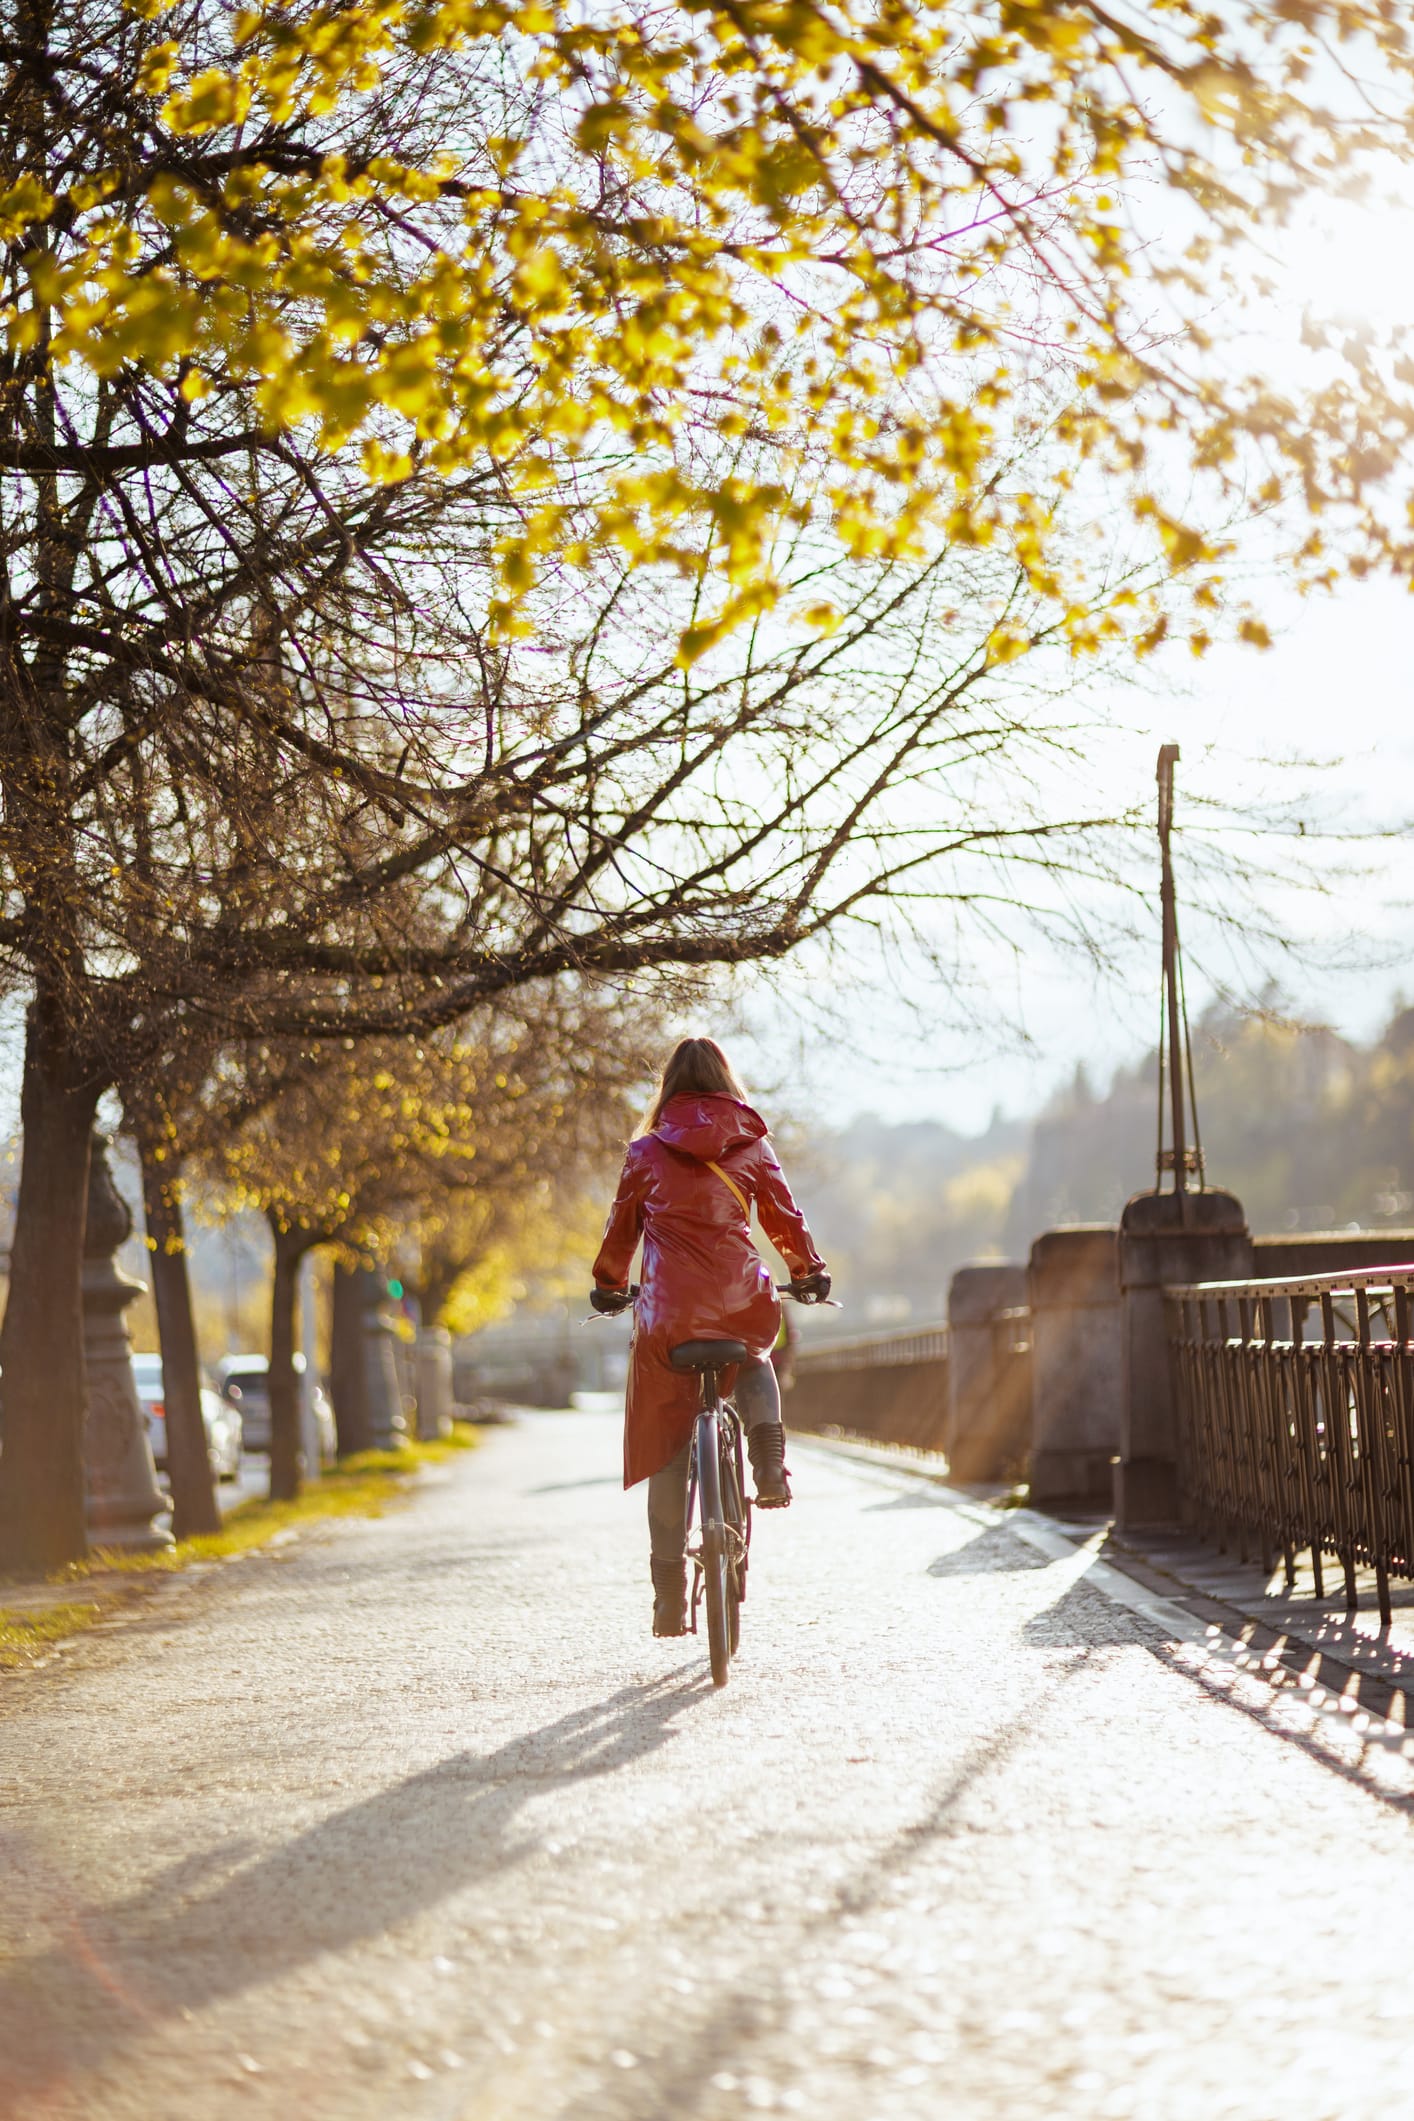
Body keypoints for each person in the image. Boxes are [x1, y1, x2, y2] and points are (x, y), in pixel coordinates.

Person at [590, 1037, 830, 1638]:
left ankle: (669, 1599)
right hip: (742, 1299)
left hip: (669, 1316)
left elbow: (621, 1230)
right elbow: (783, 1217)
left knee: (669, 1444)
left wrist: (607, 1284)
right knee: (754, 1356)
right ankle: (769, 1464)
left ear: (668, 1086)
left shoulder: (645, 1152)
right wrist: (807, 1273)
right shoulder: (751, 1145)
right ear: (727, 1081)